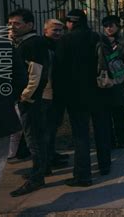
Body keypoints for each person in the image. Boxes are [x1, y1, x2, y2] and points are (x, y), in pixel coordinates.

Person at [54, 9, 111, 187]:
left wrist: (59, 96)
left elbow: (58, 71)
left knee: (81, 135)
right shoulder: (97, 37)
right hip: (99, 91)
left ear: (71, 22)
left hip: (75, 95)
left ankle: (83, 175)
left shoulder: (65, 40)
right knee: (102, 129)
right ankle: (105, 165)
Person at [7, 9, 50, 197]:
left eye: (17, 23)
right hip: (28, 99)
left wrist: (25, 96)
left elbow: (36, 74)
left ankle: (37, 178)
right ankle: (40, 170)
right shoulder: (24, 42)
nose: (12, 27)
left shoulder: (33, 43)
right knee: (35, 138)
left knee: (34, 140)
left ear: (30, 25)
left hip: (30, 100)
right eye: (10, 23)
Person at [100, 15, 124, 148]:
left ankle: (122, 139)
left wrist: (116, 74)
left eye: (111, 25)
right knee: (106, 114)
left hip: (118, 82)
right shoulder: (100, 42)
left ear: (118, 25)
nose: (108, 28)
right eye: (106, 26)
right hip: (103, 82)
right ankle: (109, 140)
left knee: (120, 113)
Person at [42, 19, 69, 168]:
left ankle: (51, 155)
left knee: (52, 128)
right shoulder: (43, 46)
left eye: (60, 30)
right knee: (46, 129)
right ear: (46, 30)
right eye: (55, 30)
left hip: (58, 94)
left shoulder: (58, 45)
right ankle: (46, 160)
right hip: (48, 93)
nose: (58, 33)